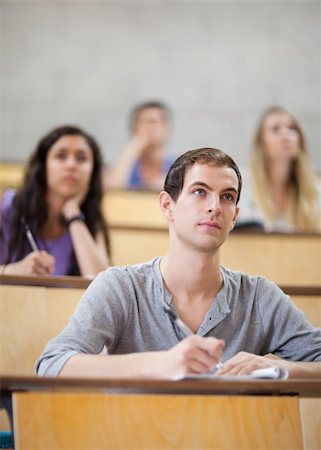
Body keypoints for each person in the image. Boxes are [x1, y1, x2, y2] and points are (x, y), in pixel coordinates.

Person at [36, 148, 321, 379]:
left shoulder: (260, 297)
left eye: (226, 197)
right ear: (167, 206)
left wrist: (279, 368)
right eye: (200, 191)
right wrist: (160, 365)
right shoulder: (121, 287)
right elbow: (51, 365)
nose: (214, 206)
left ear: (234, 217)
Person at [0, 125, 111, 277]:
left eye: (81, 158)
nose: (71, 165)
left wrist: (73, 214)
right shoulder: (7, 205)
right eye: (61, 156)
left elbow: (102, 284)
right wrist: (12, 271)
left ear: (92, 171)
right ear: (43, 166)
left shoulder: (90, 219)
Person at [236, 106, 321, 233]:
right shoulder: (242, 184)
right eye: (276, 129)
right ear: (262, 142)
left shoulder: (314, 189)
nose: (286, 134)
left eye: (292, 128)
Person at [105, 100, 173, 191]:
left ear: (167, 131)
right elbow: (111, 188)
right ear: (133, 130)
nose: (151, 128)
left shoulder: (178, 167)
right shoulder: (125, 166)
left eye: (156, 122)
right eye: (145, 123)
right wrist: (134, 146)